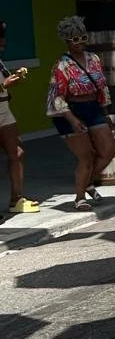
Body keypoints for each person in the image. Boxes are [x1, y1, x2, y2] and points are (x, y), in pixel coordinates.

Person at [45, 15, 115, 211]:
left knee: (108, 150)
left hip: (93, 107)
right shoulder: (62, 65)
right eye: (75, 39)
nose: (80, 42)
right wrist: (72, 119)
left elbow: (102, 88)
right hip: (70, 111)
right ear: (67, 41)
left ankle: (88, 182)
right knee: (86, 156)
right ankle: (79, 197)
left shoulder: (94, 59)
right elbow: (57, 96)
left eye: (83, 37)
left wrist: (106, 113)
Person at [0, 20, 39, 217]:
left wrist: (12, 79)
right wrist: (4, 85)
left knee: (17, 152)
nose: (3, 44)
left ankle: (16, 199)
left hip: (4, 109)